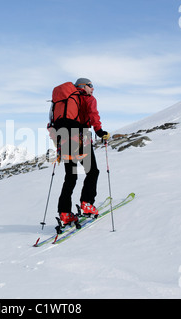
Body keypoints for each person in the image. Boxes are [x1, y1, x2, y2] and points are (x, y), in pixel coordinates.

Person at [56, 78, 110, 226]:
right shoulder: (87, 99)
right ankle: (87, 203)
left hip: (64, 140)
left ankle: (65, 213)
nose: (92, 89)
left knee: (70, 176)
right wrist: (100, 132)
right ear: (82, 86)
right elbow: (93, 115)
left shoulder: (64, 100)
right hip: (81, 137)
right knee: (92, 172)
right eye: (90, 85)